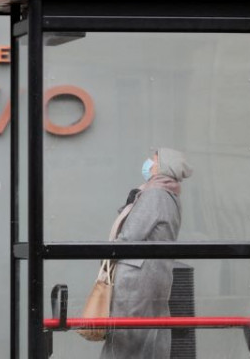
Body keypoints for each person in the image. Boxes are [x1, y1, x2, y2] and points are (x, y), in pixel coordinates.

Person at [100, 148, 193, 359]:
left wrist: (109, 253)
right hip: (156, 275)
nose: (149, 163)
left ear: (164, 167)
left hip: (137, 278)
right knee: (151, 336)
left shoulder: (154, 194)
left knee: (125, 339)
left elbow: (130, 235)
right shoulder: (170, 195)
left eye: (154, 160)